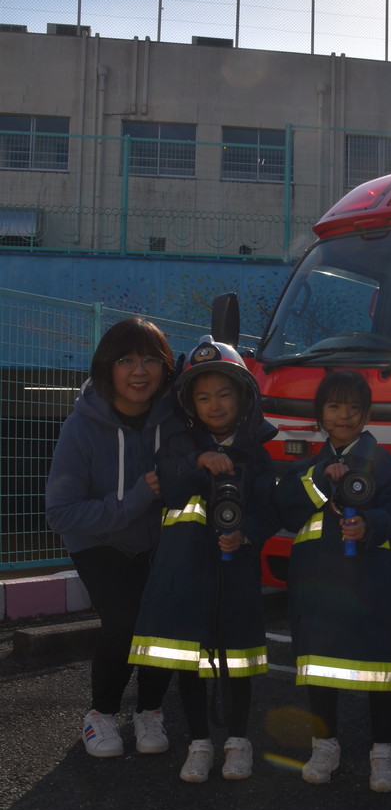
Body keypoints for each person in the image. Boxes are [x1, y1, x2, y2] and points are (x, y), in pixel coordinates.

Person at [128, 336, 279, 783]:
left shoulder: (258, 456)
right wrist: (200, 459)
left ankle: (238, 743)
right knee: (191, 665)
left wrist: (246, 533)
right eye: (204, 397)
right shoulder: (177, 448)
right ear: (190, 404)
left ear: (244, 397)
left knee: (238, 665)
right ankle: (198, 744)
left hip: (237, 576)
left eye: (225, 394)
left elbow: (269, 510)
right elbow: (171, 484)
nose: (215, 405)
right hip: (187, 575)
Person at [274, 370, 391, 793]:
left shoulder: (386, 465)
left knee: (377, 669)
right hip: (317, 585)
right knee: (318, 666)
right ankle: (324, 745)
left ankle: (383, 751)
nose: (345, 415)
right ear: (320, 414)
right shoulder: (306, 468)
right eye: (334, 406)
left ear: (367, 414)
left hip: (371, 583)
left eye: (355, 407)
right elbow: (284, 508)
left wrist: (370, 525)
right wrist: (320, 479)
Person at [45, 317, 176, 759]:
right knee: (123, 622)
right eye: (126, 360)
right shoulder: (81, 427)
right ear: (106, 367)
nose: (139, 371)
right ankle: (100, 714)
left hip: (157, 539)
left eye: (151, 360)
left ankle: (150, 710)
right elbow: (61, 513)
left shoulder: (176, 419)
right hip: (98, 540)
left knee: (162, 620)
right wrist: (135, 499)